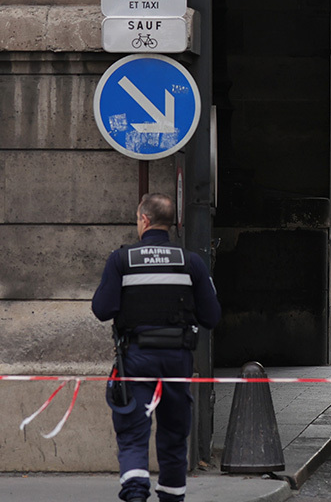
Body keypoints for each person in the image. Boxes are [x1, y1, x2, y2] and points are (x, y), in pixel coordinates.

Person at [92, 193, 221, 502]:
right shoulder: (191, 262)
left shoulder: (121, 260)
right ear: (172, 223)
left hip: (136, 359)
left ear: (144, 220)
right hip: (178, 359)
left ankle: (136, 492)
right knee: (175, 431)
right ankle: (172, 495)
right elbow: (211, 316)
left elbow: (102, 309)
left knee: (133, 428)